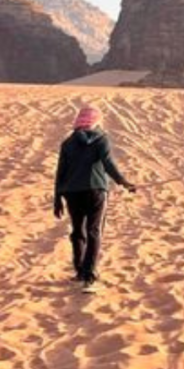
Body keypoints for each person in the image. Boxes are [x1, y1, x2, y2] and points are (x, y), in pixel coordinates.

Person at [53, 105, 136, 289]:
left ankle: (80, 271)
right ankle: (89, 275)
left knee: (78, 232)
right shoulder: (101, 139)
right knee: (94, 231)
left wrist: (57, 199)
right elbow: (108, 164)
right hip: (96, 191)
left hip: (72, 193)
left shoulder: (67, 143)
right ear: (96, 121)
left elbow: (61, 173)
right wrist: (124, 182)